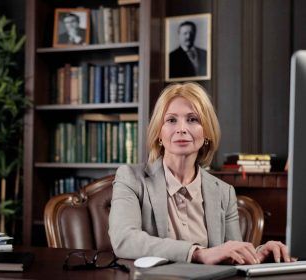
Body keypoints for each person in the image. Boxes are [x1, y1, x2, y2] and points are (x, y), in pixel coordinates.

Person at [109, 82, 292, 264]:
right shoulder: (131, 178)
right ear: (159, 132)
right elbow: (124, 240)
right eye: (171, 120)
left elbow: (233, 254)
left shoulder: (223, 192)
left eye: (192, 119)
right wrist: (197, 253)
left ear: (206, 133)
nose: (181, 129)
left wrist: (260, 252)